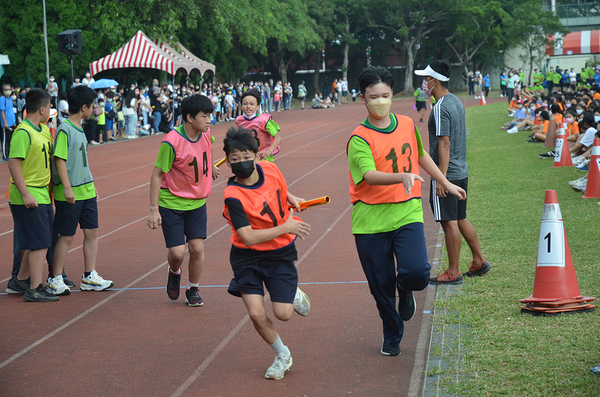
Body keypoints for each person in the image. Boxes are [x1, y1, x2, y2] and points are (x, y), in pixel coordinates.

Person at [347, 66, 466, 356]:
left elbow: (422, 155)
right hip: (370, 221)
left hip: (406, 211)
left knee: (417, 272)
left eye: (385, 95)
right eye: (373, 96)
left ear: (392, 94)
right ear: (363, 98)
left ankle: (407, 287)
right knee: (380, 288)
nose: (380, 101)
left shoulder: (405, 123)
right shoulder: (359, 138)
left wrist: (445, 181)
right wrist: (401, 177)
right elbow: (370, 175)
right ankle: (392, 335)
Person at [222, 126, 311, 380]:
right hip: (246, 257)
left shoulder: (271, 169)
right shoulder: (233, 195)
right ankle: (282, 355)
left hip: (279, 252)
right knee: (256, 313)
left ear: (256, 153)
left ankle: (290, 292)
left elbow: (280, 190)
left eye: (247, 156)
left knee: (283, 314)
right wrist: (286, 226)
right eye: (235, 159)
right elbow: (248, 237)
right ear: (228, 161)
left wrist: (292, 198)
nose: (242, 162)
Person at [416, 60, 491, 285]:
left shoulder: (440, 107)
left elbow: (444, 143)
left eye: (425, 79)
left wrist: (441, 178)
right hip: (461, 170)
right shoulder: (456, 101)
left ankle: (453, 271)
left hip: (448, 173)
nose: (423, 83)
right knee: (460, 218)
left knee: (449, 222)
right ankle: (478, 260)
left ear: (435, 81)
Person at [147, 94, 220, 307]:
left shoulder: (206, 133)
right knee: (178, 253)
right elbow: (156, 176)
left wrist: (210, 166)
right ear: (189, 117)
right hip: (172, 203)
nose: (209, 121)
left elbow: (207, 149)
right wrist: (153, 210)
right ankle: (174, 271)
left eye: (210, 116)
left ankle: (193, 289)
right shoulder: (171, 142)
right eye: (204, 116)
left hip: (197, 203)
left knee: (197, 249)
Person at [46, 86, 113, 296]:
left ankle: (89, 275)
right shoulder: (65, 129)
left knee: (92, 232)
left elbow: (82, 163)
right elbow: (60, 159)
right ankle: (55, 278)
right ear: (84, 107)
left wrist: (91, 186)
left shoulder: (79, 128)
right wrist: (67, 188)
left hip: (86, 191)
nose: (94, 109)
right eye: (92, 106)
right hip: (71, 192)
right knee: (66, 236)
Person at [7, 88, 58, 302]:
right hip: (29, 196)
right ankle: (35, 288)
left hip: (43, 194)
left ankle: (21, 280)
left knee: (38, 241)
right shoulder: (23, 132)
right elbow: (13, 164)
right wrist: (26, 194)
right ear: (42, 108)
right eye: (49, 108)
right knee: (40, 243)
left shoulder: (43, 130)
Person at [235, 88, 282, 162]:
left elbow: (278, 138)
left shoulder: (264, 120)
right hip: (249, 159)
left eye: (252, 104)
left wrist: (268, 151)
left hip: (264, 159)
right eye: (245, 104)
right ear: (241, 106)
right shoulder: (239, 120)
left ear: (258, 107)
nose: (248, 106)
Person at [1, 83, 16, 161]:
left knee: (11, 139)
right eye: (6, 90)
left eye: (9, 89)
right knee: (5, 140)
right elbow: (2, 111)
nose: (8, 91)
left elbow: (12, 111)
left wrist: (14, 122)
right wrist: (5, 122)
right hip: (5, 124)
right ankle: (5, 155)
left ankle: (10, 154)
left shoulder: (10, 99)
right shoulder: (2, 99)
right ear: (3, 91)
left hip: (12, 123)